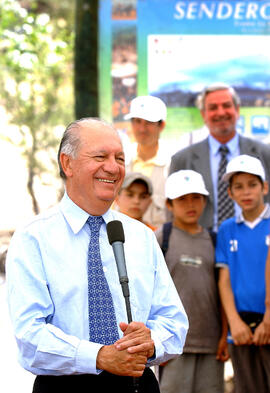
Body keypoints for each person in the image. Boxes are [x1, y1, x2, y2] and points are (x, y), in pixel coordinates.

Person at [6, 118, 188, 393]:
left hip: (137, 382)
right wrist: (100, 357)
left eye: (120, 158)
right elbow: (30, 336)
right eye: (100, 157)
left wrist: (150, 342)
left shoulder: (141, 237)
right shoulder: (33, 238)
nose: (113, 168)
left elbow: (174, 322)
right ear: (67, 164)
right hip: (63, 385)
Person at [155, 169, 229, 393]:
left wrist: (225, 334)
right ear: (169, 204)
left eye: (196, 198)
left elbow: (223, 290)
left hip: (211, 343)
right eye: (182, 199)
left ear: (205, 201)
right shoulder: (161, 238)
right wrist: (159, 343)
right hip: (174, 344)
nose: (190, 205)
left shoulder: (214, 240)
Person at [169, 82, 270, 232]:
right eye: (213, 108)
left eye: (226, 105)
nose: (221, 112)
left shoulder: (264, 154)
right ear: (203, 115)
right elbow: (173, 212)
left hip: (254, 243)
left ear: (237, 110)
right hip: (201, 247)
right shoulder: (182, 160)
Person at [216, 154, 270, 393]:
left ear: (264, 187)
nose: (245, 192)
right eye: (238, 186)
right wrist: (234, 322)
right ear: (230, 193)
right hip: (241, 329)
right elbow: (224, 279)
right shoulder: (227, 229)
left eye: (252, 184)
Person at [125, 95, 169, 228]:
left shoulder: (173, 164)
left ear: (161, 125)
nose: (142, 129)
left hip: (160, 244)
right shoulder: (120, 160)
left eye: (148, 122)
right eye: (137, 121)